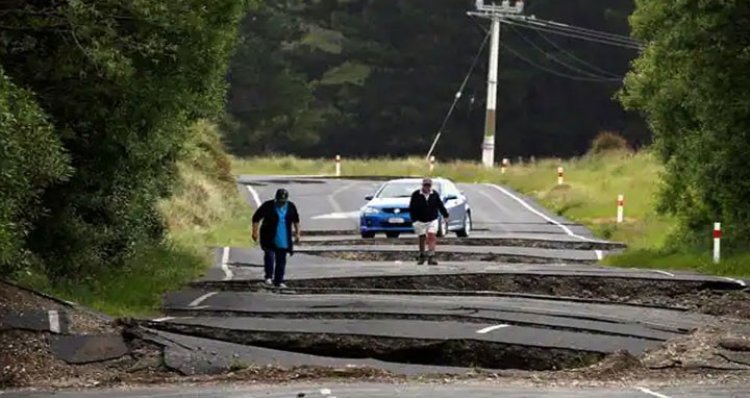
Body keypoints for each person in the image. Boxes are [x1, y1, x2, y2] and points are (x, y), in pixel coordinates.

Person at [251, 188, 301, 288]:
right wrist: (254, 232)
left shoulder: (291, 206)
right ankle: (268, 277)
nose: (282, 203)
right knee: (269, 256)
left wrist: (297, 233)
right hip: (268, 236)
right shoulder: (268, 205)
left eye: (283, 201)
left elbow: (296, 221)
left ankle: (279, 280)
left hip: (283, 237)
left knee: (281, 259)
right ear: (276, 199)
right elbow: (256, 218)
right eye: (280, 201)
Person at [408, 178, 449, 265]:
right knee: (422, 237)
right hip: (419, 220)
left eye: (428, 185)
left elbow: (440, 205)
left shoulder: (434, 194)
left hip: (432, 219)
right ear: (422, 185)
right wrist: (414, 220)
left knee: (432, 236)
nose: (427, 187)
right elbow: (411, 208)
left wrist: (445, 215)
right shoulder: (416, 194)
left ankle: (431, 256)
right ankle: (422, 255)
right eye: (425, 185)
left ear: (431, 186)